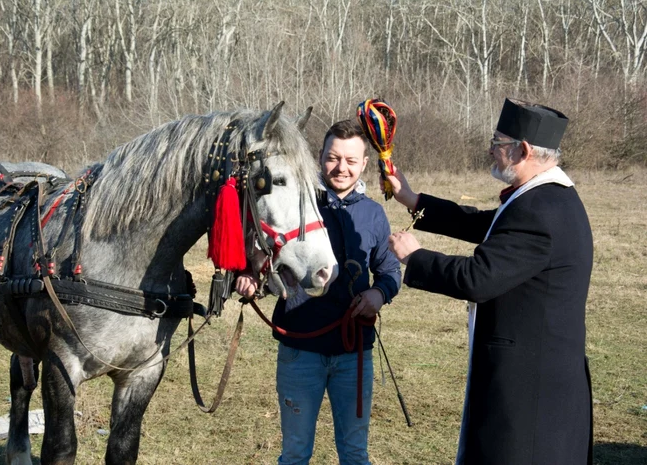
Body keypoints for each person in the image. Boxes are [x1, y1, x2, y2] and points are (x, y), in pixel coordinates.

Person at [385, 98, 593, 465]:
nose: (491, 150)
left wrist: (415, 256)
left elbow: (477, 278)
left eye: (498, 142)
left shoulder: (540, 210)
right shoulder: (542, 198)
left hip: (530, 391)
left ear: (523, 150)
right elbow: (485, 225)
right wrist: (413, 199)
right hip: (533, 376)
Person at [236, 119, 401, 464]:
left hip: (354, 353)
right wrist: (251, 277)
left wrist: (379, 294)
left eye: (351, 160)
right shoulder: (292, 204)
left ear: (364, 164)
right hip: (300, 352)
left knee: (355, 453)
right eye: (332, 157)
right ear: (318, 157)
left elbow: (388, 271)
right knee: (295, 453)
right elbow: (262, 255)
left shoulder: (373, 215)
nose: (341, 168)